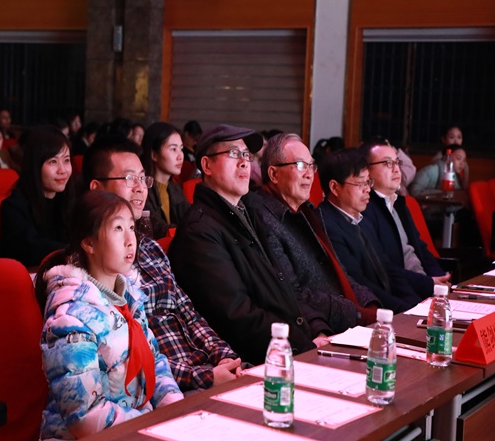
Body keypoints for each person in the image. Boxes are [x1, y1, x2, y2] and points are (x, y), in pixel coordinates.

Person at [35, 190, 183, 441]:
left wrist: (174, 408)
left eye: (131, 227)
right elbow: (85, 417)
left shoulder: (129, 298)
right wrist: (153, 424)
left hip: (134, 434)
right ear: (88, 243)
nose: (130, 240)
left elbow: (156, 362)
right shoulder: (70, 317)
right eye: (117, 228)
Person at [84, 136, 243, 392]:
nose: (140, 188)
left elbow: (188, 311)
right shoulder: (93, 265)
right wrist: (204, 377)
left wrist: (223, 355)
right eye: (129, 178)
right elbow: (131, 356)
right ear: (96, 187)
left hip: (205, 372)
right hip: (166, 388)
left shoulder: (151, 249)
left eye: (142, 178)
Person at [169, 125, 319, 365]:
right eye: (233, 153)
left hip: (289, 345)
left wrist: (315, 330)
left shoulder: (249, 213)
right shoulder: (199, 232)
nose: (244, 163)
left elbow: (285, 289)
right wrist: (303, 349)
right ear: (207, 166)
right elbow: (238, 317)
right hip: (255, 362)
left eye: (247, 155)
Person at [246, 133, 380, 336]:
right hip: (321, 330)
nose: (309, 174)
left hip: (347, 320)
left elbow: (340, 274)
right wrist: (360, 315)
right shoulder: (264, 220)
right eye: (301, 165)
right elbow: (294, 294)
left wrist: (371, 306)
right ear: (273, 174)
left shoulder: (307, 211)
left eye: (311, 166)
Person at [318, 149, 430, 312]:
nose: (367, 189)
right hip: (370, 311)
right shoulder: (326, 225)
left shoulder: (362, 219)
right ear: (335, 187)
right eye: (360, 184)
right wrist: (403, 310)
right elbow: (359, 282)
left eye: (368, 182)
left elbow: (388, 268)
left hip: (392, 307)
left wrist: (416, 305)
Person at [360, 140, 450, 282]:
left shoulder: (399, 203)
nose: (396, 170)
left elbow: (419, 246)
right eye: (388, 163)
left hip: (424, 283)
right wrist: (428, 284)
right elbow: (384, 267)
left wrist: (441, 278)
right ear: (367, 171)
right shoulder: (365, 209)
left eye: (397, 162)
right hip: (405, 287)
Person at [0, 125, 73, 267]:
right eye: (53, 161)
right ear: (35, 165)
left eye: (66, 160)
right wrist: (75, 251)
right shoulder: (13, 206)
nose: (62, 170)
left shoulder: (71, 202)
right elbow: (30, 248)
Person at [140, 122, 190, 239]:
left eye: (181, 149)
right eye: (173, 149)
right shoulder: (142, 189)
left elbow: (190, 217)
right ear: (154, 155)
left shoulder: (175, 189)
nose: (180, 156)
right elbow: (157, 229)